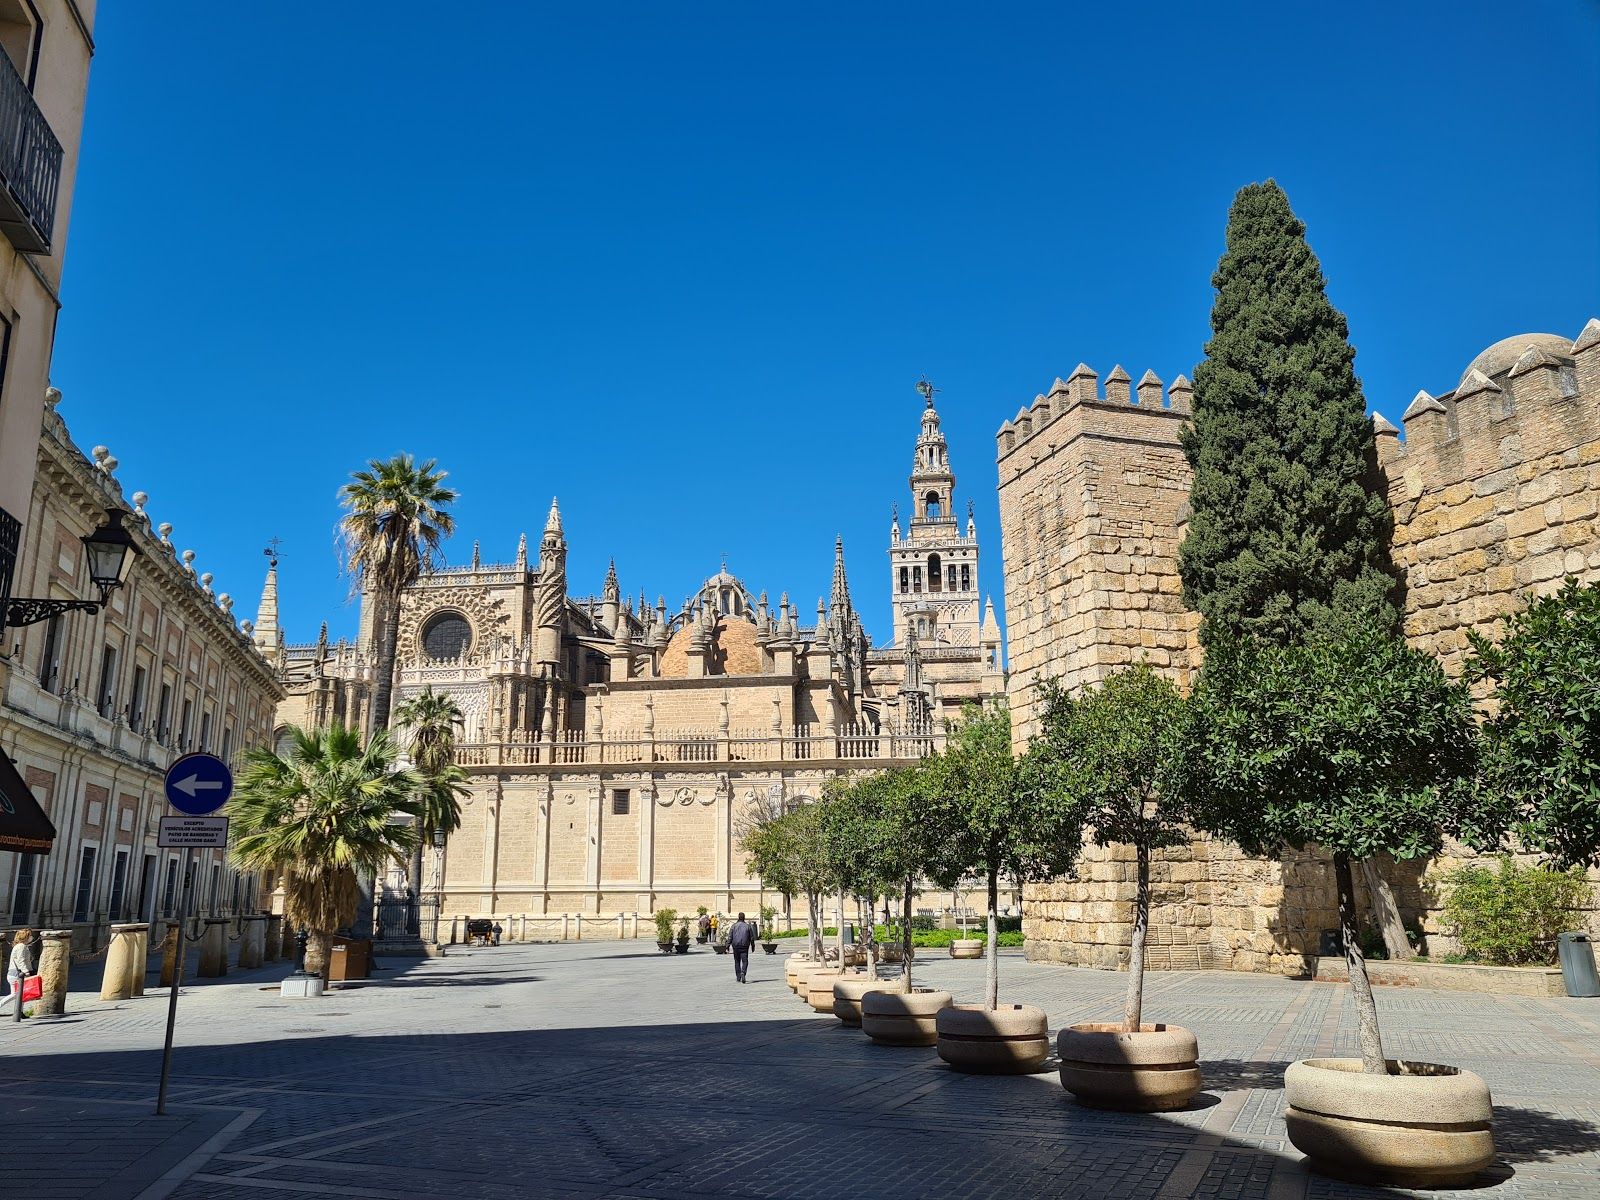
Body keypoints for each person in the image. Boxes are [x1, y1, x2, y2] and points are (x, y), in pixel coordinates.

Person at [2, 929, 38, 1014]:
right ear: (25, 937)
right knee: (15, 994)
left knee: (21, 994)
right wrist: (26, 971)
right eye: (29, 936)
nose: (31, 937)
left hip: (15, 973)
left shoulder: (21, 946)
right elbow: (20, 960)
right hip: (17, 974)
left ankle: (20, 1012)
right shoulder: (21, 946)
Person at [727, 911, 756, 984]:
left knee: (737, 961)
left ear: (738, 917)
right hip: (744, 946)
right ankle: (743, 972)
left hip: (736, 946)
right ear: (744, 918)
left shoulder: (734, 926)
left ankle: (738, 976)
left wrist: (727, 945)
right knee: (745, 961)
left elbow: (730, 936)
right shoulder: (747, 926)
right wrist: (753, 946)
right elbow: (751, 937)